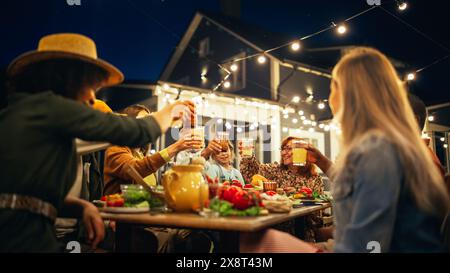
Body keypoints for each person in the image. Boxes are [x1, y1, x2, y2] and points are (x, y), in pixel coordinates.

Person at [0, 33, 195, 252]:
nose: (93, 98)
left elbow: (27, 196)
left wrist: (81, 207)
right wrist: (171, 111)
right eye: (91, 87)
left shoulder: (22, 112)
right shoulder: (53, 107)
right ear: (71, 78)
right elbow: (138, 132)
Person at [242, 47, 449, 253]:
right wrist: (322, 162)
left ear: (348, 93)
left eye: (333, 86)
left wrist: (317, 249)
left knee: (260, 241)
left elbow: (368, 246)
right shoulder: (395, 146)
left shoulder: (375, 150)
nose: (330, 96)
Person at [103, 104, 203, 195]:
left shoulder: (141, 153)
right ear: (130, 124)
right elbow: (135, 169)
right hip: (120, 211)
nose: (147, 126)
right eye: (143, 121)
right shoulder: (115, 148)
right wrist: (176, 147)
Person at [240, 136, 323, 193]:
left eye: (289, 148)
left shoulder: (314, 177)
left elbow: (319, 202)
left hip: (306, 217)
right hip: (281, 216)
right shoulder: (275, 170)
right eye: (282, 149)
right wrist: (249, 157)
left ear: (302, 151)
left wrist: (298, 192)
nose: (283, 153)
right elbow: (251, 173)